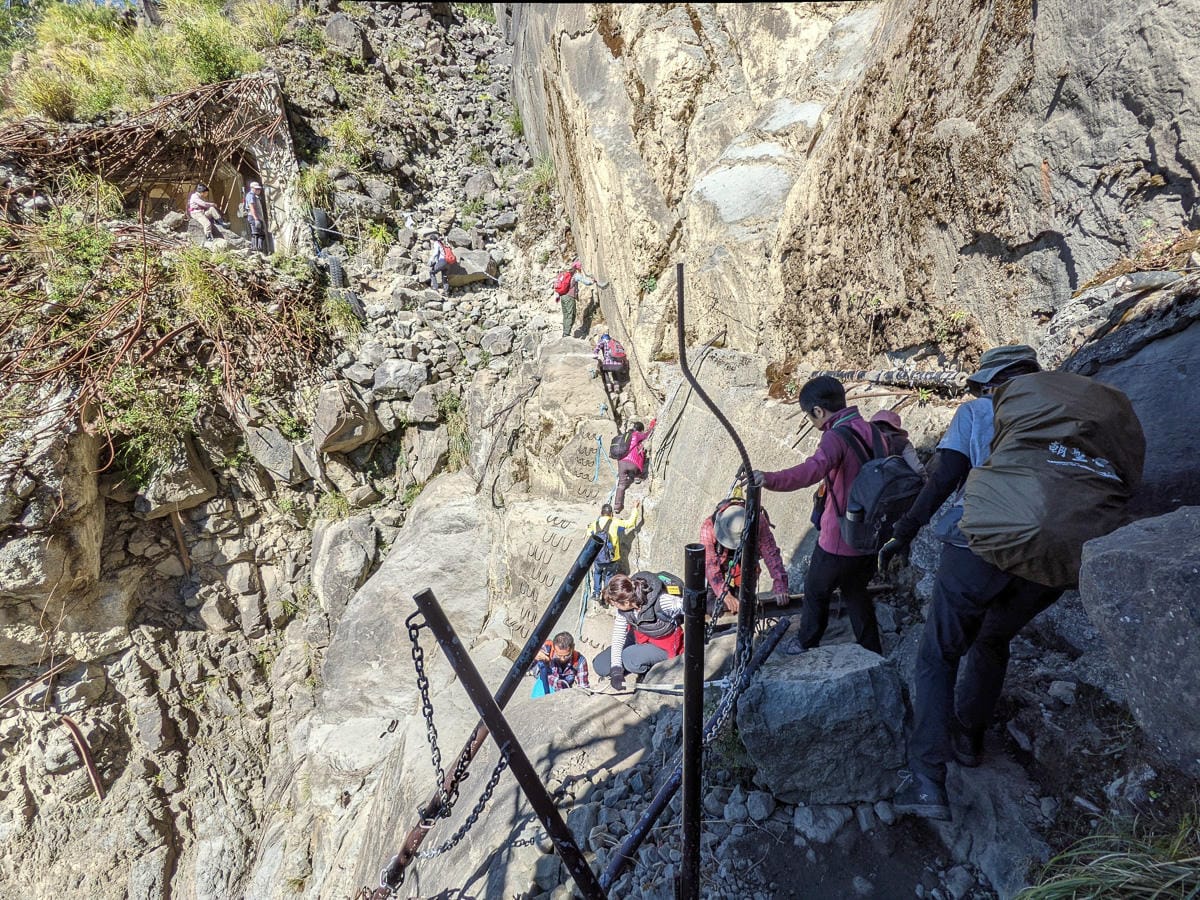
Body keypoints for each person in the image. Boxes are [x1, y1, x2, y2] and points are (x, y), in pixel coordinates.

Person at [877, 345, 1057, 821]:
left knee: (939, 653)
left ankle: (927, 780)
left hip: (986, 539)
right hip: (1058, 551)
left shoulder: (978, 411)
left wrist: (903, 532)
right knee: (994, 637)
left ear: (992, 383)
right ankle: (970, 740)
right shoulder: (1068, 415)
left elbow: (943, 480)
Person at [748, 376, 882, 655]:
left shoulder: (835, 437)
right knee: (856, 592)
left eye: (810, 415)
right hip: (870, 532)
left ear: (819, 411)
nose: (813, 421)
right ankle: (872, 647)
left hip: (839, 536)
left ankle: (806, 641)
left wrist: (768, 479)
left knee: (815, 592)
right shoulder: (872, 431)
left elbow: (810, 471)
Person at [593, 572, 684, 689]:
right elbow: (618, 637)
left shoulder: (661, 601)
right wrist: (616, 670)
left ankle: (647, 669)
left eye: (615, 603)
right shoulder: (624, 610)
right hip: (639, 637)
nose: (614, 606)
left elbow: (685, 606)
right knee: (601, 665)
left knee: (629, 658)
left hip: (664, 645)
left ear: (626, 602)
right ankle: (635, 660)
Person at [700, 497, 789, 615]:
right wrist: (724, 594)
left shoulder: (758, 522)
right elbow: (710, 564)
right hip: (720, 561)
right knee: (713, 606)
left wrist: (780, 585)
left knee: (745, 601)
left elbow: (771, 554)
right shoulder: (709, 527)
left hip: (745, 560)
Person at [585, 500, 643, 601]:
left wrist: (588, 527)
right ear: (611, 514)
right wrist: (635, 508)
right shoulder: (615, 522)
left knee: (597, 573)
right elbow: (630, 523)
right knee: (609, 575)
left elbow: (589, 533)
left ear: (601, 514)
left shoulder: (595, 523)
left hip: (598, 557)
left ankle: (596, 593)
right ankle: (605, 596)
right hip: (612, 557)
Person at [613, 419, 656, 514]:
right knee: (642, 453)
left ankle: (617, 506)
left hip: (621, 462)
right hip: (633, 464)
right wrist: (652, 425)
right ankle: (637, 476)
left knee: (621, 485)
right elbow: (647, 435)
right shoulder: (636, 435)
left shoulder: (625, 435)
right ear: (640, 430)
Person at [870, 409, 926, 477]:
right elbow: (917, 469)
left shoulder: (864, 440)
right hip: (898, 484)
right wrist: (926, 480)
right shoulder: (901, 441)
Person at [556, 259, 595, 337]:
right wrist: (593, 281)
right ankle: (566, 334)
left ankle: (565, 332)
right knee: (571, 315)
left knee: (566, 315)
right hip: (569, 297)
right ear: (578, 268)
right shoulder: (576, 275)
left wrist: (557, 296)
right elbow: (586, 282)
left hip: (562, 297)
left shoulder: (567, 273)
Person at [244, 181, 268, 253]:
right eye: (257, 189)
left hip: (258, 218)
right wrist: (256, 219)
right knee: (255, 233)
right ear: (252, 188)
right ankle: (254, 249)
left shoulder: (256, 196)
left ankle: (260, 250)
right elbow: (252, 207)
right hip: (253, 217)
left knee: (261, 234)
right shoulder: (250, 195)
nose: (259, 190)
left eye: (259, 189)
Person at [425, 229, 449, 294]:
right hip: (447, 262)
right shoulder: (440, 243)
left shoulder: (436, 243)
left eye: (430, 241)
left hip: (442, 261)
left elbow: (435, 253)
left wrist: (430, 260)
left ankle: (435, 288)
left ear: (432, 240)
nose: (430, 242)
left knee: (432, 273)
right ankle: (446, 291)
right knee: (444, 276)